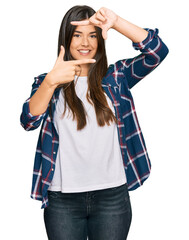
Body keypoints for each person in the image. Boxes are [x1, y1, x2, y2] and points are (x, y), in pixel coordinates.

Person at [20, 5, 169, 240]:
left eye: (92, 35)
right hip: (62, 200)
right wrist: (50, 83)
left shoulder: (116, 78)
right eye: (77, 35)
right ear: (66, 40)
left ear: (101, 39)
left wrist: (116, 21)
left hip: (112, 196)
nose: (85, 43)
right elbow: (29, 120)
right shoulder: (49, 82)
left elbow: (157, 52)